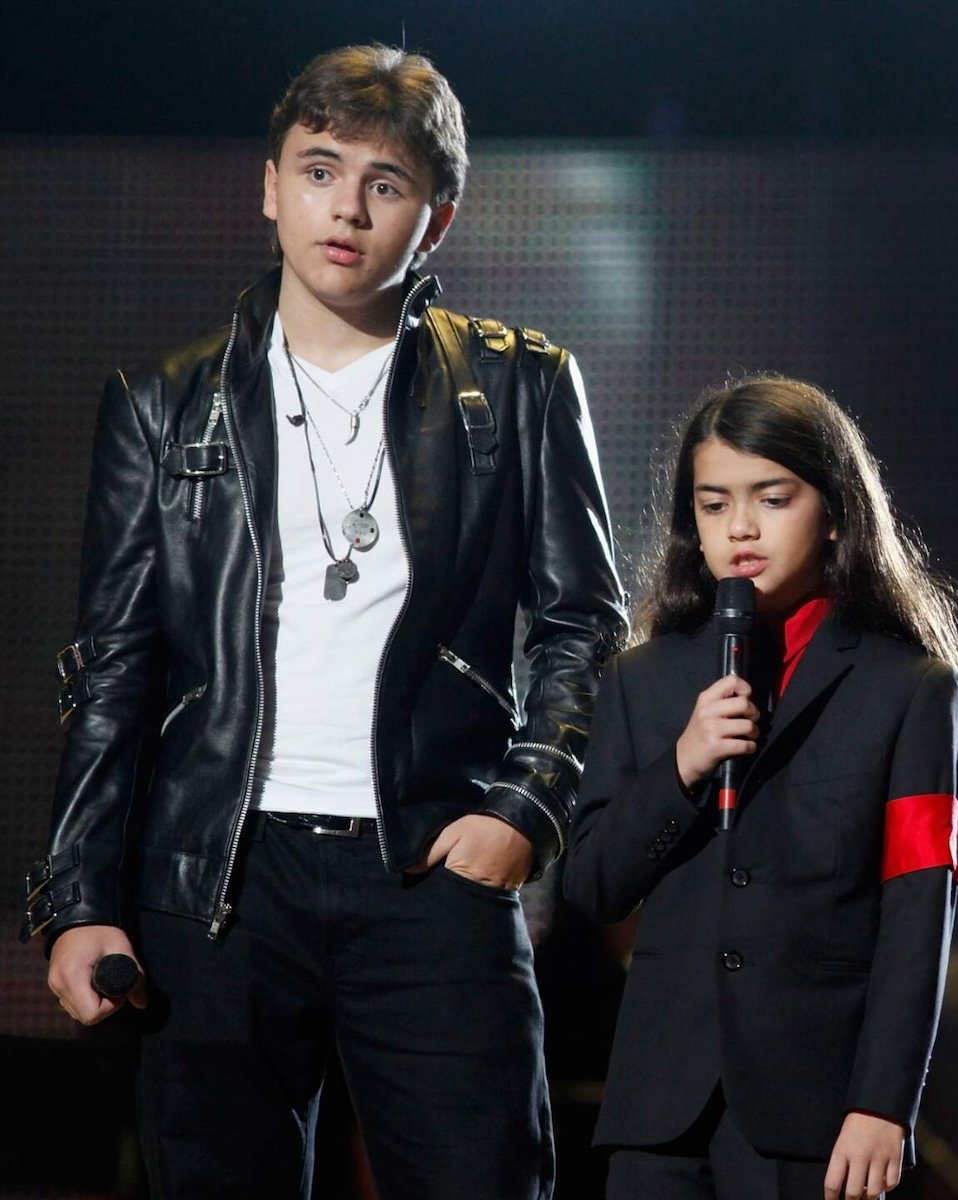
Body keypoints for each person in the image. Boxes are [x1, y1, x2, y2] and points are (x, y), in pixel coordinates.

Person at [25, 44, 628, 1197]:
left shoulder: (520, 386)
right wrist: (78, 903)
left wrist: (523, 810)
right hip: (214, 881)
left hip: (432, 872)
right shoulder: (161, 401)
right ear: (269, 185)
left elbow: (583, 625)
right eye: (319, 169)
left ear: (436, 218)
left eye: (385, 184)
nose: (345, 207)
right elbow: (114, 666)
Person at [562, 376, 958, 1200]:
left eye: (772, 498)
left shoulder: (907, 690)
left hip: (818, 1111)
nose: (740, 528)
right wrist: (683, 765)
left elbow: (919, 911)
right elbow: (591, 885)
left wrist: (884, 1103)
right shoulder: (642, 681)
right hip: (659, 1111)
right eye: (713, 503)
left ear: (833, 509)